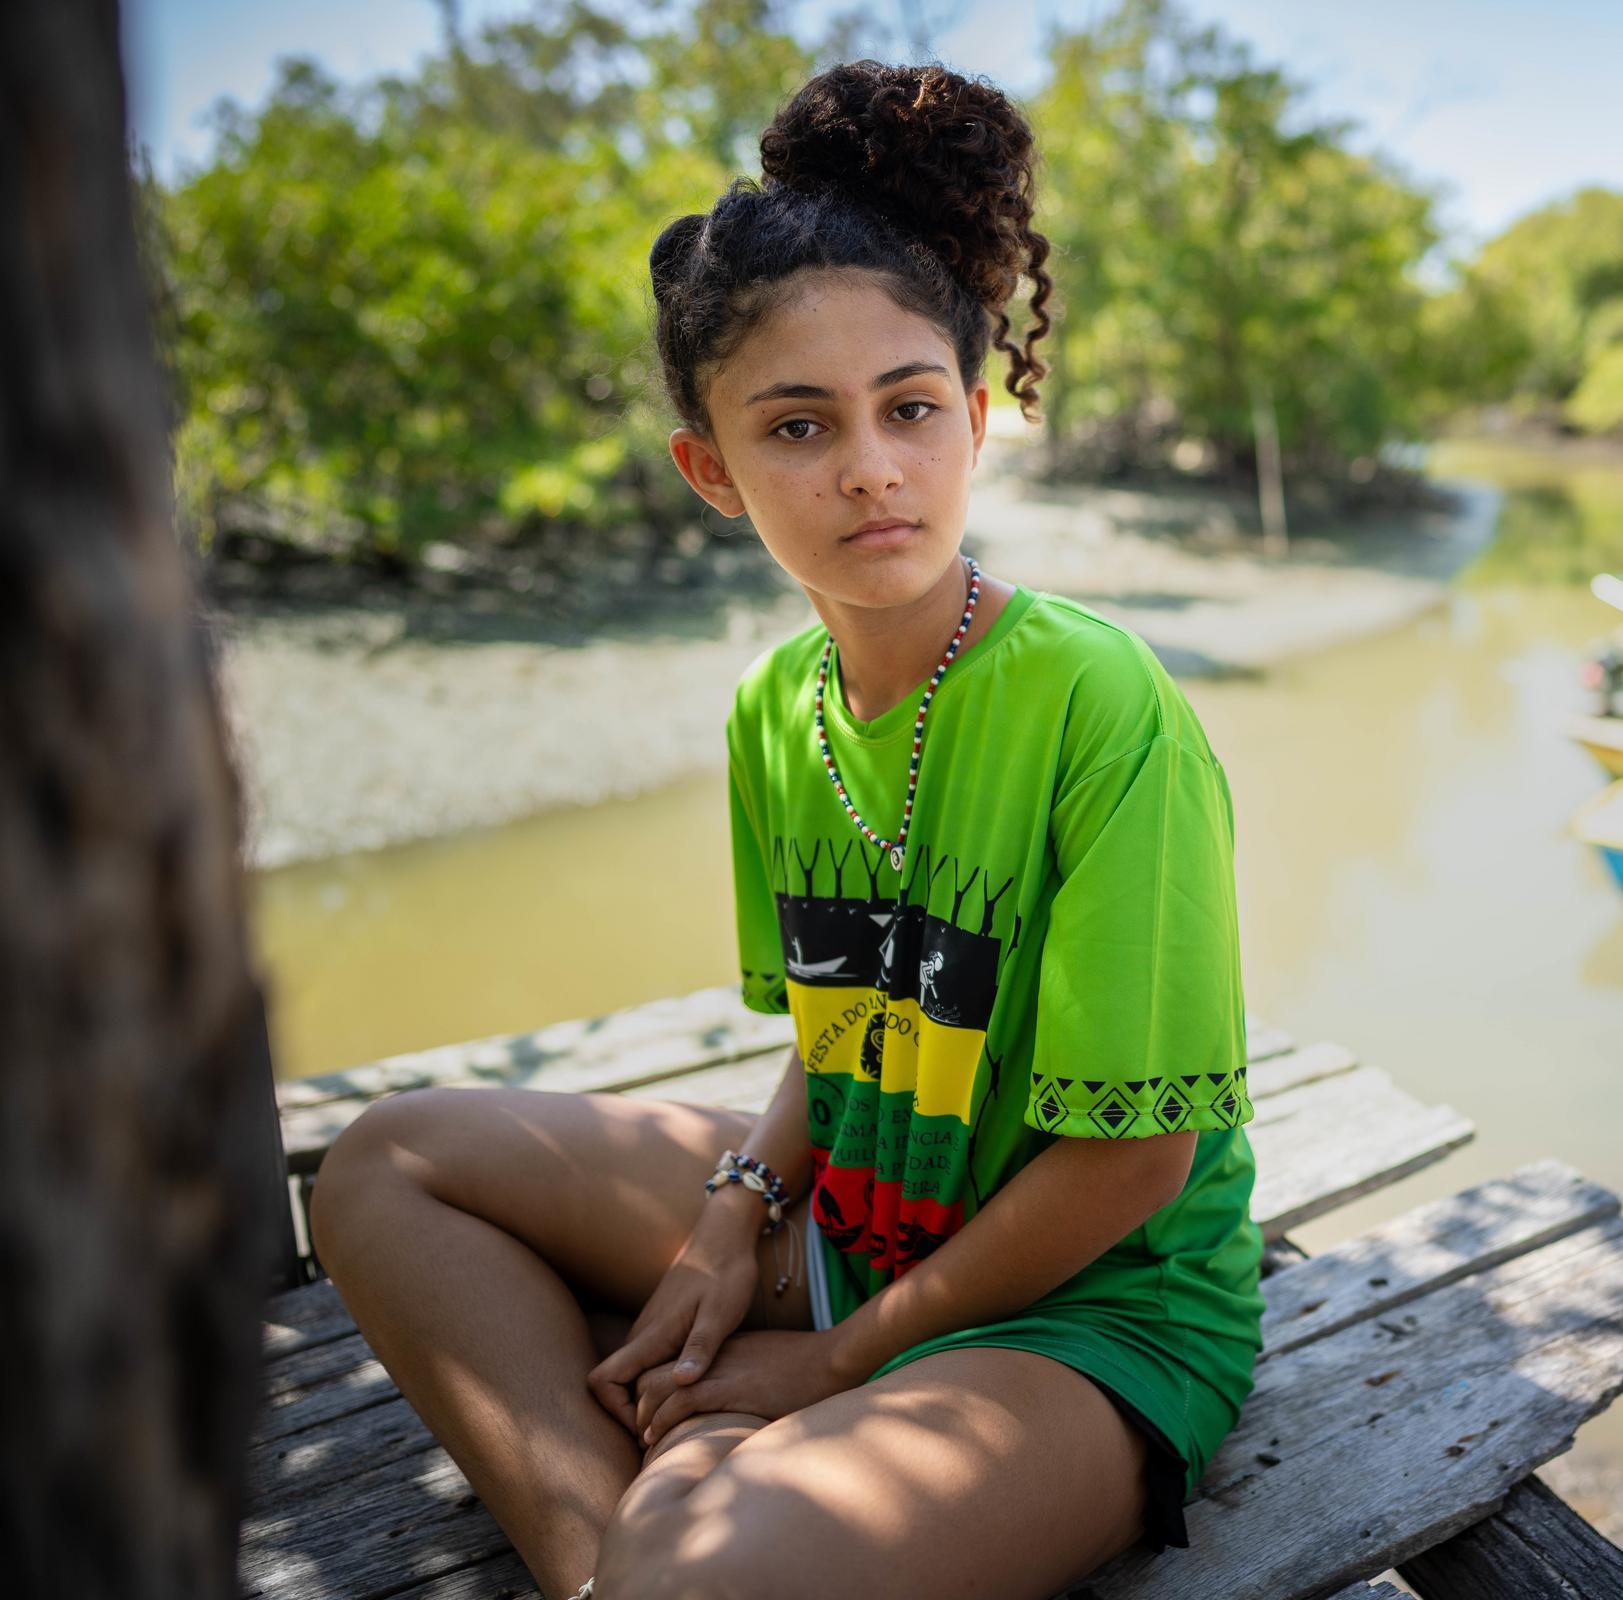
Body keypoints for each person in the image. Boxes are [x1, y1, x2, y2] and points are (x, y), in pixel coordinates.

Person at [306, 59, 1264, 1599]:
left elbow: (1136, 1162)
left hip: (1089, 1307)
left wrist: (827, 1365)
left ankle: (678, 1541)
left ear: (977, 418)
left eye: (910, 408)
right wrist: (730, 1223)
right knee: (385, 1166)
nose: (871, 467)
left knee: (710, 1567)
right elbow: (848, 1032)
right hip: (864, 1208)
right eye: (799, 427)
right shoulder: (776, 710)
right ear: (713, 469)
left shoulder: (1102, 704)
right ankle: (622, 1559)